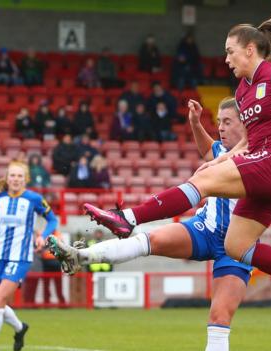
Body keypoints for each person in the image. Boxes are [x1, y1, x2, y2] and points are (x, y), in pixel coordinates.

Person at [82, 11, 271, 318]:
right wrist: (220, 160)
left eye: (230, 51)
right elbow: (247, 142)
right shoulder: (242, 92)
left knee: (201, 186)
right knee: (236, 246)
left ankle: (127, 217)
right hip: (262, 167)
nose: (226, 59)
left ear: (250, 49)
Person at [48, 97, 252, 351]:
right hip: (206, 228)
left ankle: (125, 221)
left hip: (237, 243)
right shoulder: (222, 151)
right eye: (219, 122)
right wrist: (195, 123)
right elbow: (208, 150)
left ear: (245, 123)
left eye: (227, 122)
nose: (220, 127)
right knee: (150, 240)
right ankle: (79, 256)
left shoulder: (257, 156)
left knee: (219, 317)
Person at [0, 161, 58, 351]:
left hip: (20, 258)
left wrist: (43, 236)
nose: (16, 179)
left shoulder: (33, 198)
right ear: (7, 178)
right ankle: (20, 328)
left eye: (19, 176)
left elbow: (52, 219)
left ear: (26, 180)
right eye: (12, 176)